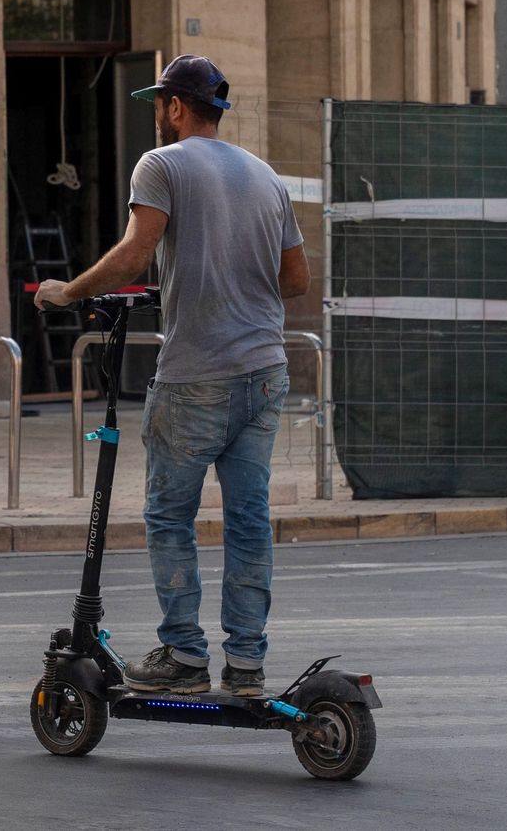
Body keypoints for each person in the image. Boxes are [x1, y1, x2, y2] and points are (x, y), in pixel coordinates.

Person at [34, 55, 310, 698]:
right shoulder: (267, 176)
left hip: (196, 377)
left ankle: (184, 655)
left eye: (159, 104)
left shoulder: (161, 164)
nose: (157, 115)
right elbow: (295, 280)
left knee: (168, 515)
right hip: (266, 370)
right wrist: (236, 284)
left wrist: (67, 292)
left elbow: (135, 251)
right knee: (247, 518)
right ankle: (246, 664)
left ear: (177, 107)